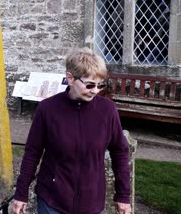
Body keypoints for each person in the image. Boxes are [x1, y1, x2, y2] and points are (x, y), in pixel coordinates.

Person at [12, 48, 131, 214]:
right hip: (52, 199)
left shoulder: (107, 110)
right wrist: (21, 193)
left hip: (91, 200)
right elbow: (33, 152)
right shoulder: (47, 109)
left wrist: (123, 195)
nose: (95, 90)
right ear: (70, 78)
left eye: (100, 85)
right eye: (89, 84)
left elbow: (120, 152)